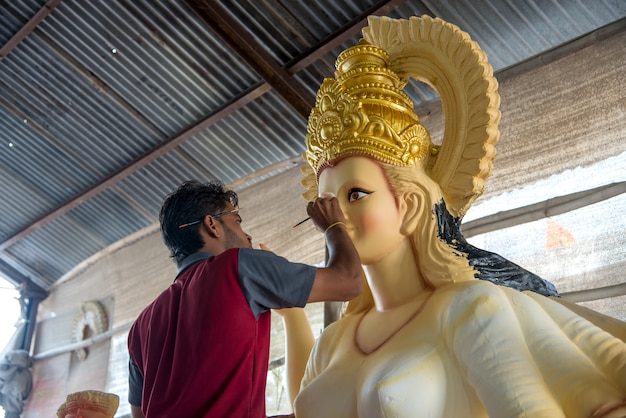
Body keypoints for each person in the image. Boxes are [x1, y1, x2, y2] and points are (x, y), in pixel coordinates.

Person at [281, 15, 626, 418]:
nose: (335, 216)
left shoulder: (467, 308)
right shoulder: (333, 341)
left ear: (408, 206)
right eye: (325, 203)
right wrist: (290, 314)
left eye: (355, 194)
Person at [127, 179, 362, 418]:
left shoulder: (140, 326)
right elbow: (349, 281)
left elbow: (140, 414)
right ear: (212, 225)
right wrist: (333, 225)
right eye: (237, 222)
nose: (247, 235)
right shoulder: (237, 265)